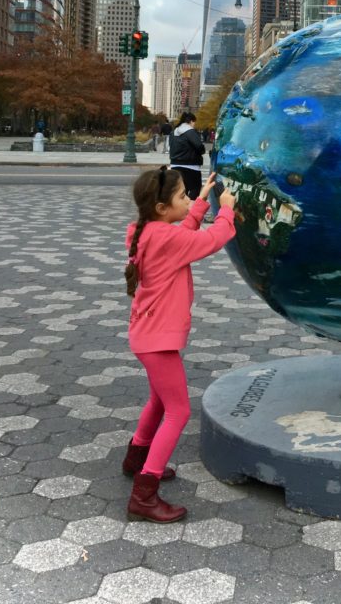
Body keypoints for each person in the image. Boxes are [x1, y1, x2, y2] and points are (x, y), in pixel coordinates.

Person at [121, 165, 236, 523]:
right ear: (161, 209)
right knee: (179, 410)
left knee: (159, 400)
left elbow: (181, 237)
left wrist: (198, 204)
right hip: (157, 340)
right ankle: (145, 492)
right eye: (183, 197)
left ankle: (136, 459)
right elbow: (209, 241)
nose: (188, 200)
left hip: (146, 336)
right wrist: (226, 209)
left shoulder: (146, 232)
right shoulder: (166, 238)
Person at [168, 112, 205, 199]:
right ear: (191, 121)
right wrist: (202, 152)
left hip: (175, 165)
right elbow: (199, 146)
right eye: (194, 122)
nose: (194, 125)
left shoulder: (173, 132)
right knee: (195, 189)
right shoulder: (190, 131)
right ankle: (190, 209)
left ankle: (181, 209)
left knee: (180, 191)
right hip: (191, 166)